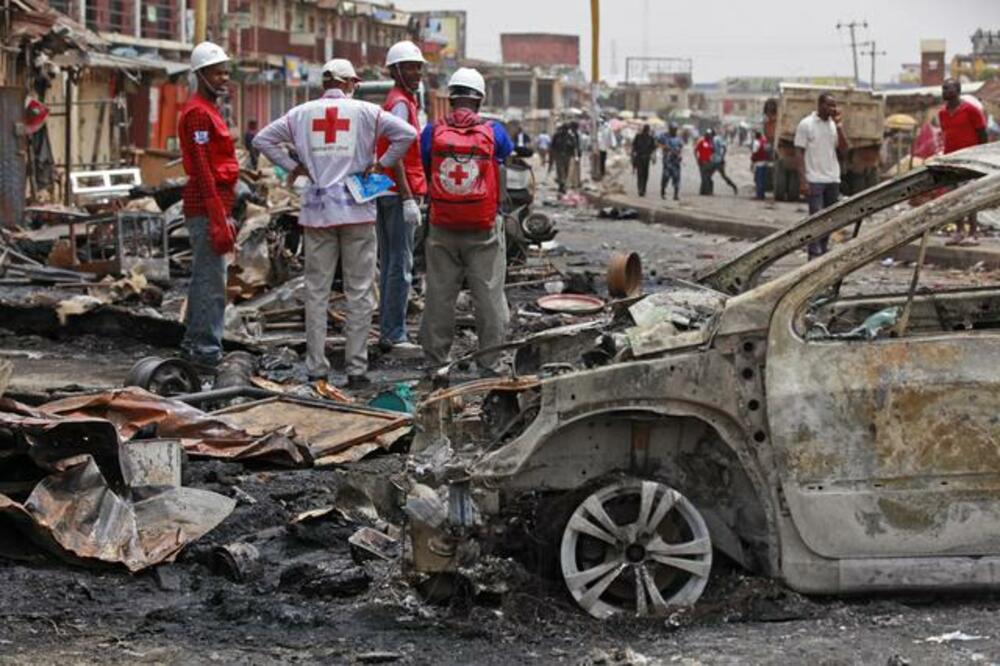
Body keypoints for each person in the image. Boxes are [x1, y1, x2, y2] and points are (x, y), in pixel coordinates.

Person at [253, 59, 417, 387]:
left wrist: (293, 166)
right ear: (350, 83)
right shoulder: (366, 112)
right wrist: (381, 164)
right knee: (359, 292)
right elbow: (408, 134)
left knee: (316, 292)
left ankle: (317, 369)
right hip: (357, 210)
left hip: (317, 212)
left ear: (324, 83)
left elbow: (261, 140)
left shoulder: (300, 114)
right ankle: (356, 370)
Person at [419, 67, 513, 384]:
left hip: (442, 225)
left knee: (439, 295)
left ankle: (437, 363)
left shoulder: (432, 132)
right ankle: (491, 364)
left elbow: (424, 162)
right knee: (488, 295)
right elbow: (506, 155)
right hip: (483, 228)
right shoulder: (495, 131)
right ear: (479, 99)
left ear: (452, 96)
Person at [177, 41, 239, 372]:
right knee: (210, 282)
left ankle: (197, 343)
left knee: (207, 277)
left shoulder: (208, 111)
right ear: (201, 75)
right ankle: (204, 350)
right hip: (206, 206)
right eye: (217, 72)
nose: (224, 78)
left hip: (214, 206)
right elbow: (202, 169)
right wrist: (217, 218)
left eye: (226, 72)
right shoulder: (199, 113)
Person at [375, 40, 427, 354]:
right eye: (410, 67)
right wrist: (408, 197)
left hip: (389, 189)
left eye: (419, 67)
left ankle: (390, 330)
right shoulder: (399, 104)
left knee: (392, 262)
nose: (416, 72)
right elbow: (398, 153)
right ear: (395, 70)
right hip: (397, 193)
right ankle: (394, 334)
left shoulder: (402, 101)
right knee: (400, 264)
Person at [794, 92, 848, 259]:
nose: (832, 108)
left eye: (834, 105)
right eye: (828, 105)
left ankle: (822, 252)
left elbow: (845, 150)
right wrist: (803, 180)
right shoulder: (806, 124)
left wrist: (839, 126)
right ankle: (814, 254)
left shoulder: (833, 125)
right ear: (819, 105)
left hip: (832, 179)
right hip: (814, 180)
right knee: (816, 219)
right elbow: (798, 153)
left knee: (829, 220)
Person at [939, 78, 987, 245]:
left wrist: (980, 157)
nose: (944, 92)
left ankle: (973, 233)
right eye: (943, 89)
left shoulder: (971, 110)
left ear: (957, 91)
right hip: (951, 160)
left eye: (948, 89)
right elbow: (947, 134)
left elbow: (982, 134)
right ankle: (959, 231)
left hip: (970, 159)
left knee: (969, 196)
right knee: (954, 196)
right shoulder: (942, 113)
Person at [551, 122, 579, 194]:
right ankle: (561, 184)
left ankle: (563, 184)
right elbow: (552, 147)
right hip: (558, 156)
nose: (564, 131)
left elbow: (574, 147)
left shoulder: (570, 137)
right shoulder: (556, 136)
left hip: (567, 156)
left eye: (566, 129)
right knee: (560, 171)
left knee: (566, 171)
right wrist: (552, 157)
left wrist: (576, 156)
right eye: (563, 129)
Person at [659, 123, 683, 200]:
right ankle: (663, 191)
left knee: (676, 178)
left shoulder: (678, 138)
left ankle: (676, 195)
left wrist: (680, 155)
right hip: (667, 161)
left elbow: (681, 148)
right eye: (672, 129)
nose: (674, 131)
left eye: (675, 130)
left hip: (676, 161)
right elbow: (657, 143)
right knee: (665, 177)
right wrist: (664, 147)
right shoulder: (664, 136)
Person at [711, 130, 739, 195]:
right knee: (710, 175)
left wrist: (722, 156)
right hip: (715, 160)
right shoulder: (714, 139)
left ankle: (734, 186)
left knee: (721, 176)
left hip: (718, 161)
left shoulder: (716, 139)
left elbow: (724, 147)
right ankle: (709, 191)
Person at [631, 124, 656, 197]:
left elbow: (653, 148)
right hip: (639, 157)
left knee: (645, 175)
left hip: (646, 158)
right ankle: (640, 189)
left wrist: (653, 157)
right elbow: (634, 146)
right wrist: (633, 156)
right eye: (645, 130)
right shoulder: (638, 137)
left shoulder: (651, 138)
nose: (646, 131)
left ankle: (644, 189)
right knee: (640, 174)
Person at [750, 130, 770, 200]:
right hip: (765, 162)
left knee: (758, 179)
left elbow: (754, 153)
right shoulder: (764, 141)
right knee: (763, 180)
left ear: (756, 136)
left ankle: (759, 196)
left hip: (758, 163)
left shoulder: (756, 142)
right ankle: (762, 195)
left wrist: (752, 162)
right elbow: (768, 151)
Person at [694, 130, 715, 195]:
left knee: (708, 177)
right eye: (707, 135)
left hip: (709, 162)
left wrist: (712, 158)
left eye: (710, 135)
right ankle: (705, 191)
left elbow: (713, 151)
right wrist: (697, 159)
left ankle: (705, 191)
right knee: (704, 177)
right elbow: (695, 150)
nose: (709, 136)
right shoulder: (702, 141)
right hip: (702, 162)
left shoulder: (711, 142)